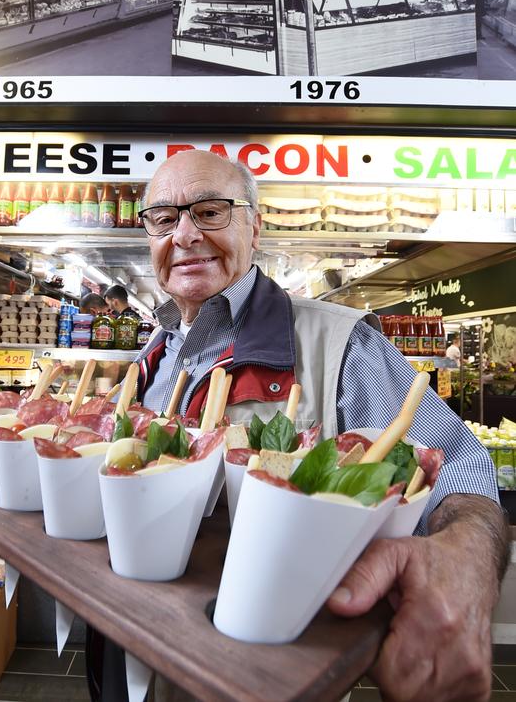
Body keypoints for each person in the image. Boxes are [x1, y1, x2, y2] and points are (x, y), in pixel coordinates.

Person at [132, 149, 508, 702]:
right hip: (141, 642)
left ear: (254, 227)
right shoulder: (159, 349)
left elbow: (460, 470)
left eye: (209, 212)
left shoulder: (342, 343)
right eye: (164, 219)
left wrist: (467, 561)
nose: (184, 234)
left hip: (272, 670)